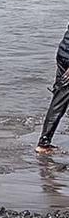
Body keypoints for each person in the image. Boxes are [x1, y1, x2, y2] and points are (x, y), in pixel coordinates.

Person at [36, 22, 69, 153]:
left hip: (63, 54)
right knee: (60, 101)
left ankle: (44, 142)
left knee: (59, 98)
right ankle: (43, 143)